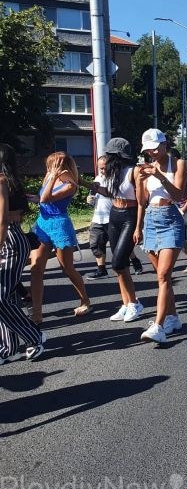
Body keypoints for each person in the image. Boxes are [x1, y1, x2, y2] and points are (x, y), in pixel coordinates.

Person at [135, 128, 187, 344]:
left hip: (170, 218)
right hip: (151, 220)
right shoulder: (147, 167)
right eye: (149, 150)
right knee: (161, 276)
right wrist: (139, 181)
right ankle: (173, 318)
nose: (152, 154)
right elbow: (142, 201)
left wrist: (158, 176)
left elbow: (179, 195)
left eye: (155, 149)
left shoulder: (178, 164)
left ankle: (158, 326)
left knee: (164, 275)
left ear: (165, 145)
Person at [29, 151, 91, 325]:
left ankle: (85, 300)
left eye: (53, 165)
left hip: (60, 226)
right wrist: (32, 198)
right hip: (43, 224)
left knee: (67, 269)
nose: (50, 168)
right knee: (36, 268)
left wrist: (51, 180)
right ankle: (37, 311)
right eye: (49, 165)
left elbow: (46, 197)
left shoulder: (70, 184)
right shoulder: (49, 177)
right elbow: (42, 199)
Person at [92, 138, 145, 324]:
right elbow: (112, 193)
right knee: (120, 266)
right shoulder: (115, 172)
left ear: (117, 156)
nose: (106, 158)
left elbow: (141, 202)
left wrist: (139, 226)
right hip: (114, 215)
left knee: (117, 263)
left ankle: (135, 303)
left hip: (130, 216)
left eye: (109, 154)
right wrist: (92, 187)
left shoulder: (134, 171)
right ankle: (126, 303)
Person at [0, 144, 45, 363]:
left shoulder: (2, 183)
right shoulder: (9, 182)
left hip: (9, 242)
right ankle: (9, 347)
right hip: (10, 239)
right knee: (6, 297)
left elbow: (2, 222)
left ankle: (35, 336)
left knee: (0, 297)